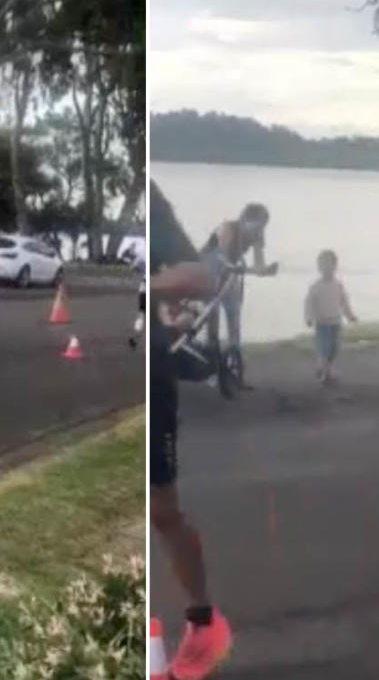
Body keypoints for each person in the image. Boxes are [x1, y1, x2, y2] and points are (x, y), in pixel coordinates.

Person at [149, 180, 232, 680]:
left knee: (162, 510)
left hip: (153, 376)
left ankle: (204, 623)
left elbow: (200, 275)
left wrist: (148, 287)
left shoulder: (152, 201)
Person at [200, 203, 277, 388]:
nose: (258, 230)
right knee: (213, 319)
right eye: (256, 225)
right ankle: (211, 368)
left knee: (234, 319)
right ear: (244, 219)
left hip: (231, 272)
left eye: (262, 226)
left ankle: (235, 367)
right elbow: (221, 255)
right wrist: (244, 268)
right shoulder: (228, 227)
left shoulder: (258, 233)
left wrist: (265, 270)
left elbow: (258, 262)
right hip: (209, 268)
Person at [304, 249, 358, 385]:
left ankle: (324, 369)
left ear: (335, 266)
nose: (327, 269)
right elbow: (309, 303)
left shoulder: (338, 285)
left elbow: (344, 302)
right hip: (322, 323)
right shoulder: (315, 287)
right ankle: (325, 373)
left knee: (334, 349)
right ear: (319, 268)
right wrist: (309, 317)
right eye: (323, 266)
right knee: (324, 348)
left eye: (330, 265)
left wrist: (350, 315)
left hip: (335, 322)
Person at [121, 238, 147, 349]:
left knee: (141, 314)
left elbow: (133, 268)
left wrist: (133, 263)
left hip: (145, 288)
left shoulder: (141, 252)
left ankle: (135, 338)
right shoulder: (144, 251)